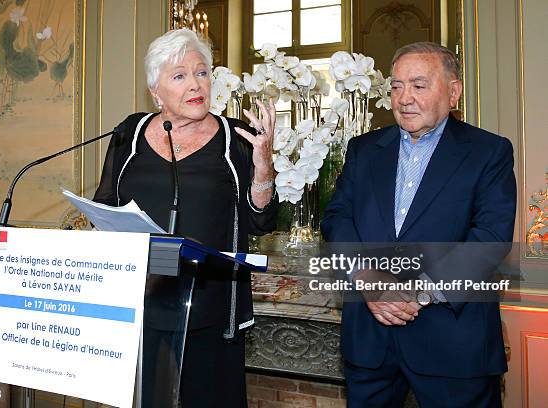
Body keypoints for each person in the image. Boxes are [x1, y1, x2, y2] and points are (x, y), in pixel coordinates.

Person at [321, 42, 516, 407]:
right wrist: (365, 277)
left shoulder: (489, 152)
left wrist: (417, 294)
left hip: (453, 343)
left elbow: (488, 239)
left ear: (453, 92)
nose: (404, 98)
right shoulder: (363, 150)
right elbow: (336, 219)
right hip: (370, 341)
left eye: (419, 85)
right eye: (396, 86)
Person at [93, 28, 278, 407]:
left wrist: (263, 168)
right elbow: (107, 204)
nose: (195, 84)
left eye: (202, 72)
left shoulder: (237, 139)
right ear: (155, 91)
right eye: (179, 76)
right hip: (141, 304)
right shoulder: (129, 133)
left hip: (210, 310)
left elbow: (261, 221)